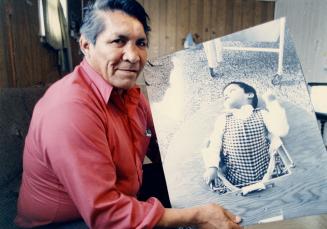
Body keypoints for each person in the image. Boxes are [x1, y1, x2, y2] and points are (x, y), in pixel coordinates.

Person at [15, 0, 242, 228]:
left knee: (186, 182)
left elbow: (165, 150)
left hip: (120, 195)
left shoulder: (130, 93)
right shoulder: (69, 108)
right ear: (86, 45)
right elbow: (107, 215)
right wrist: (197, 215)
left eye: (140, 43)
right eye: (118, 41)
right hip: (70, 222)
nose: (133, 57)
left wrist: (213, 157)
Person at [202, 82, 289, 189]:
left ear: (249, 94)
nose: (226, 95)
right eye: (224, 95)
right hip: (235, 180)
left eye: (231, 90)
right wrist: (212, 167)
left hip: (266, 175)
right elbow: (215, 144)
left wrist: (272, 103)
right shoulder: (223, 119)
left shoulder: (261, 113)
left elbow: (280, 130)